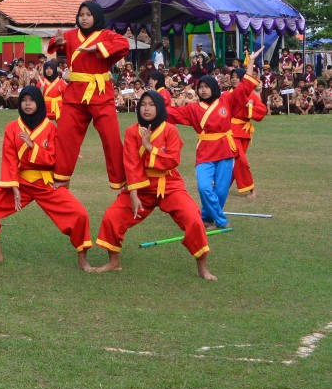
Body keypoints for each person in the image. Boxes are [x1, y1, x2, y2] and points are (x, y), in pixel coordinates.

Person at [92, 90, 215, 280]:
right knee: (112, 216)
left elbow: (173, 160)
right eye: (143, 104)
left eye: (151, 104)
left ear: (159, 107)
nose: (146, 108)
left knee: (193, 218)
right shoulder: (132, 131)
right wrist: (133, 194)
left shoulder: (170, 130)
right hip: (141, 186)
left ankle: (202, 267)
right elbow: (131, 163)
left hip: (169, 183)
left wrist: (150, 147)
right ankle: (114, 261)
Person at [0, 86, 93, 271]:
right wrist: (13, 187)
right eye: (24, 100)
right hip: (20, 183)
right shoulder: (12, 128)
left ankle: (83, 260)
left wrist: (33, 146)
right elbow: (9, 158)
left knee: (79, 214)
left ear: (39, 102)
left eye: (32, 100)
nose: (27, 104)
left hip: (46, 183)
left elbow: (53, 159)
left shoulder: (50, 128)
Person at [166, 49, 262, 229]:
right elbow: (172, 114)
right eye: (200, 87)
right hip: (205, 151)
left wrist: (250, 64)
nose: (203, 90)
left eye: (206, 87)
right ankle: (221, 220)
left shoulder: (226, 100)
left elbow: (244, 88)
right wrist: (151, 106)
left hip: (226, 150)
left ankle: (207, 218)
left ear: (214, 87)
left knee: (220, 190)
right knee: (204, 187)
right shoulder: (192, 109)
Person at [47, 1, 131, 188]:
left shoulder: (106, 35)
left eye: (88, 15)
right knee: (65, 136)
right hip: (75, 94)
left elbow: (124, 44)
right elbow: (53, 45)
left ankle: (122, 182)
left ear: (97, 17)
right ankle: (61, 178)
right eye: (81, 15)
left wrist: (99, 47)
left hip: (101, 93)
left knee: (111, 139)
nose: (84, 18)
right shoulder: (69, 35)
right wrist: (58, 42)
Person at [228, 67, 267, 199]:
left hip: (244, 132)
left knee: (236, 161)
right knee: (241, 160)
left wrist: (248, 106)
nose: (233, 79)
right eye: (232, 77)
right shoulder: (226, 94)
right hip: (230, 132)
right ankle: (251, 188)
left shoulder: (251, 95)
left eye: (236, 77)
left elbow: (262, 111)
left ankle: (221, 187)